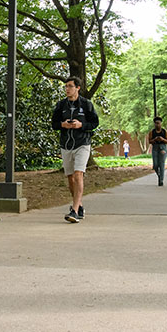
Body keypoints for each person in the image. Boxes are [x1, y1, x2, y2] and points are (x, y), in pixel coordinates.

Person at [52, 75, 99, 223]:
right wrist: (63, 125)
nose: (67, 89)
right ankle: (80, 206)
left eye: (70, 86)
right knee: (71, 178)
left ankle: (74, 210)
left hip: (82, 144)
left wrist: (81, 125)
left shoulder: (86, 104)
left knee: (78, 175)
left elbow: (94, 123)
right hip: (66, 145)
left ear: (78, 88)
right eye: (66, 86)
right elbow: (54, 124)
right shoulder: (60, 105)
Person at [147, 117, 167, 186]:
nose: (157, 125)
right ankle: (159, 175)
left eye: (158, 123)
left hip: (163, 148)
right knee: (155, 165)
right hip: (155, 148)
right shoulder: (152, 132)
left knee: (161, 164)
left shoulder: (165, 132)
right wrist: (155, 139)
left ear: (161, 124)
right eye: (156, 123)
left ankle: (161, 181)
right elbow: (149, 141)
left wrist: (162, 139)